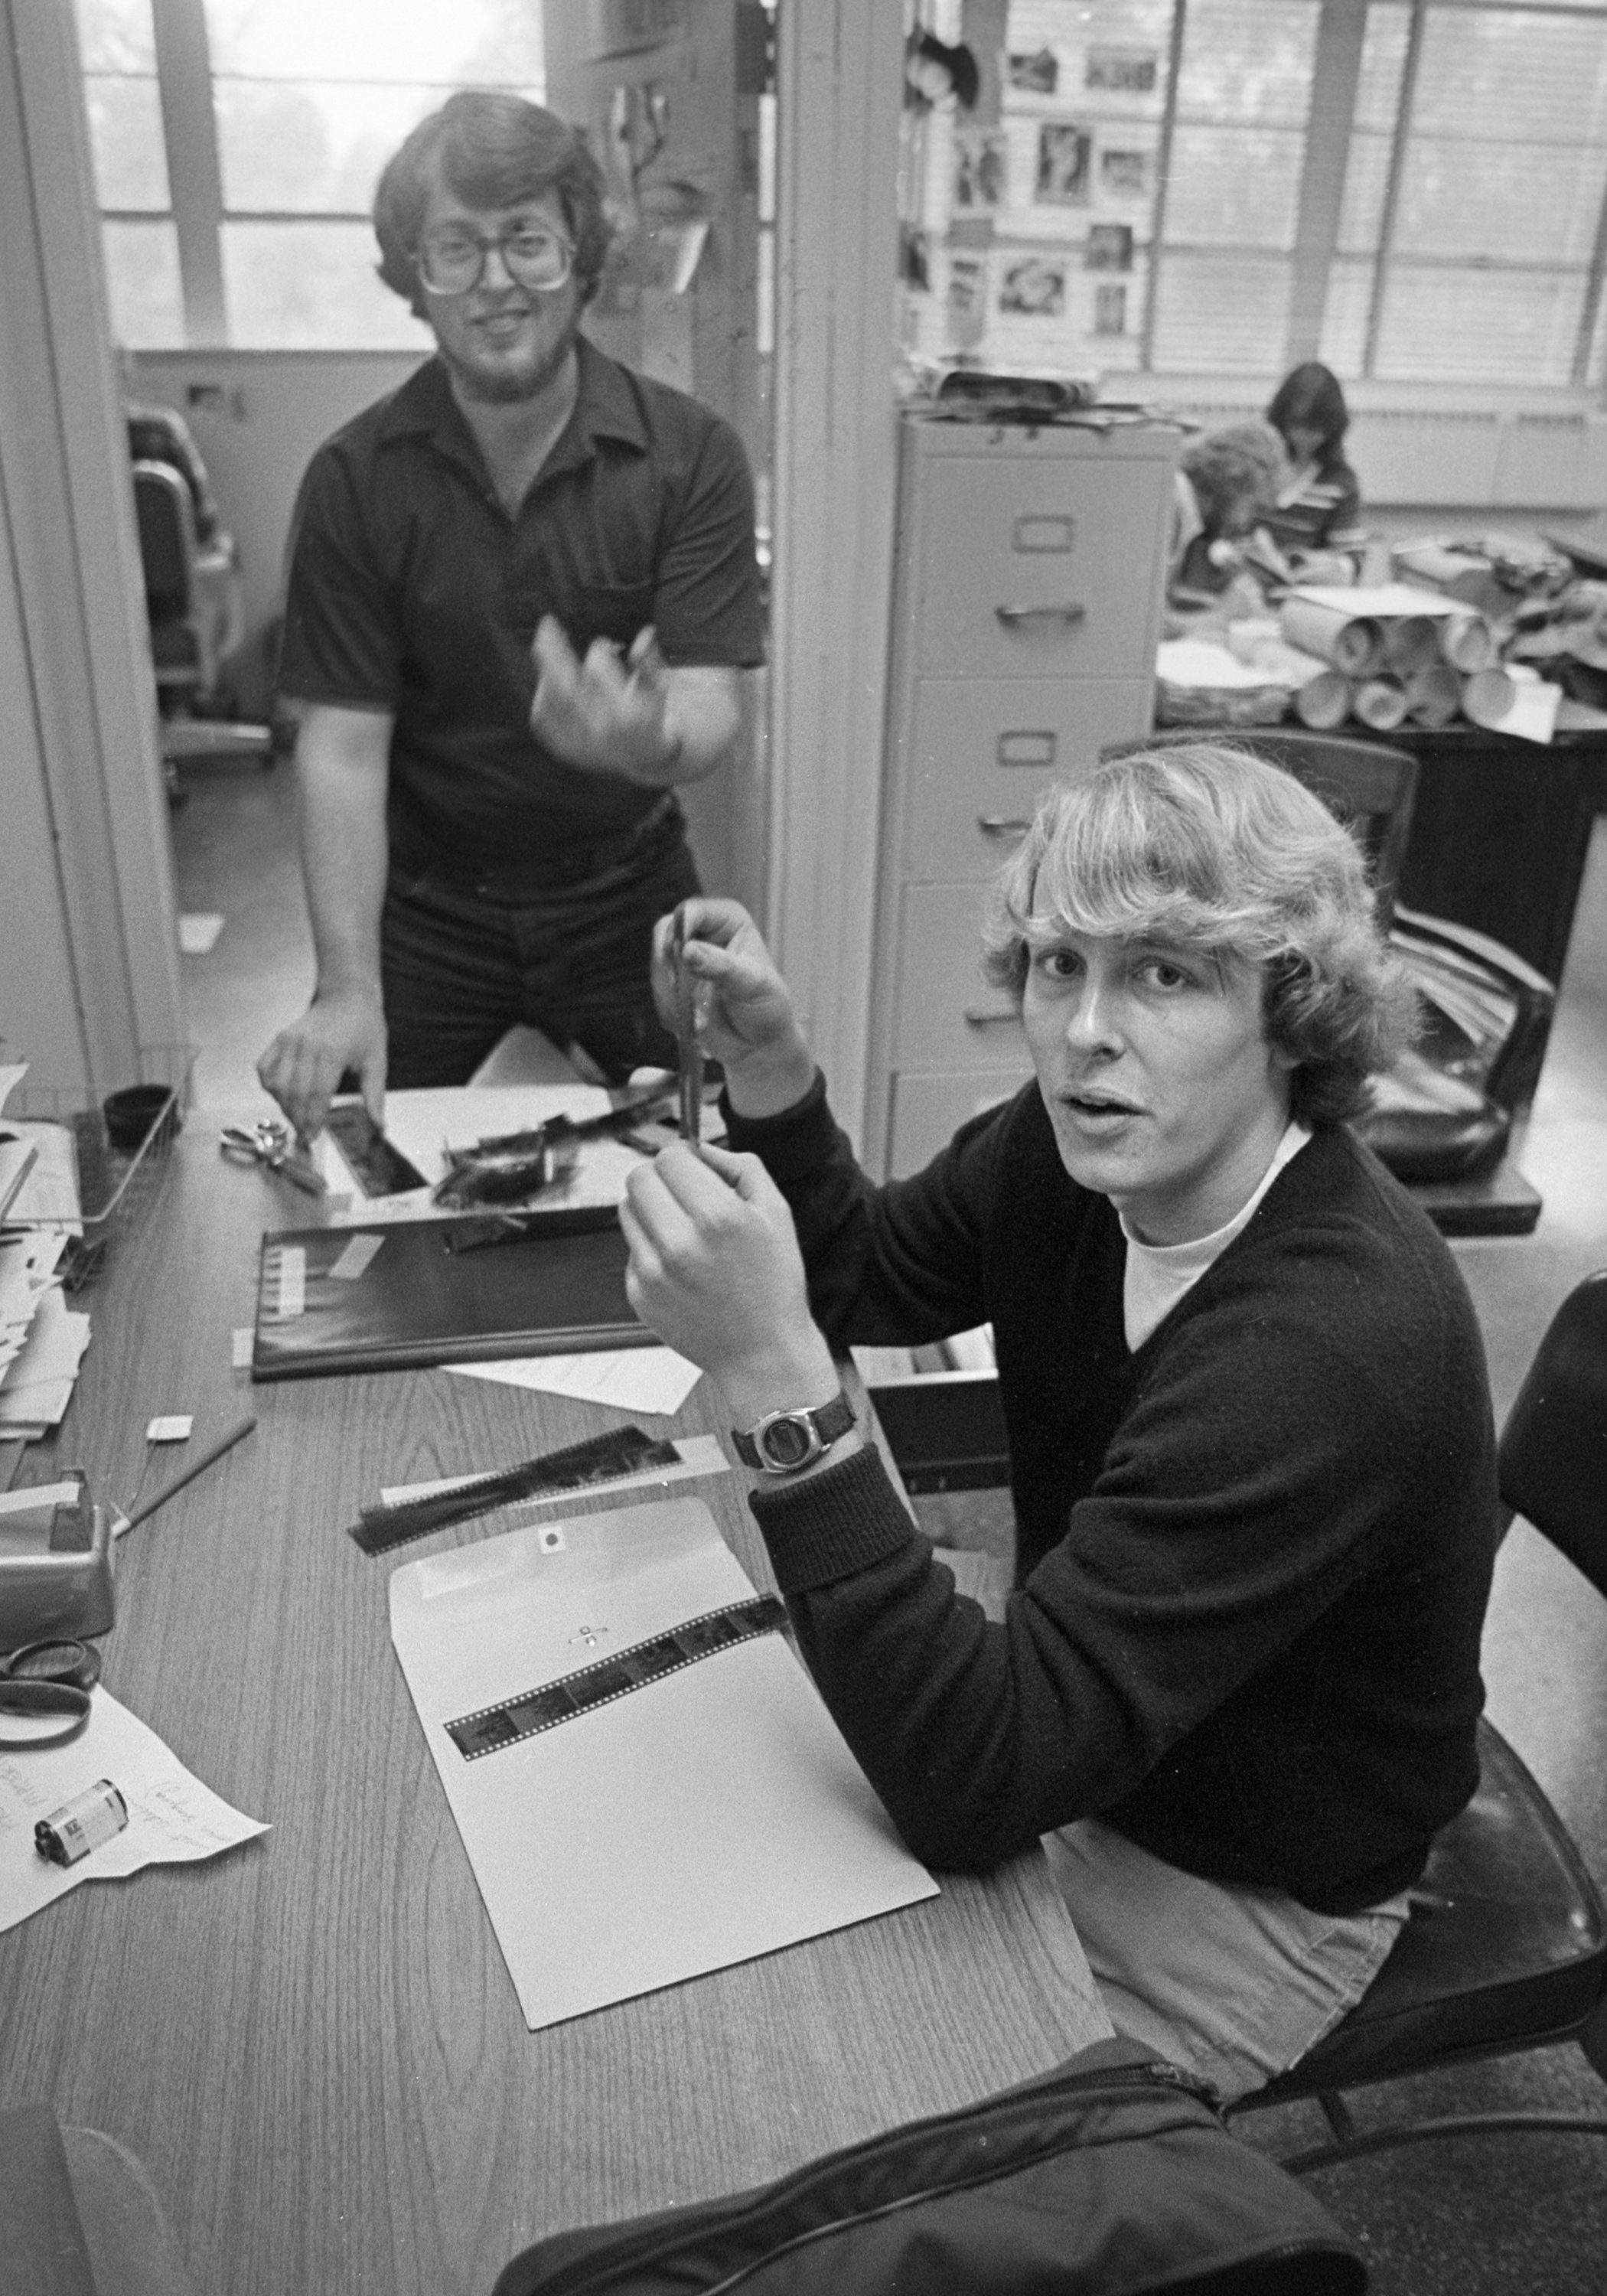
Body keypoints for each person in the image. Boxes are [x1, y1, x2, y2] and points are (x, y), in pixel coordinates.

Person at [619, 742, 1499, 2104]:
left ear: (1290, 1012)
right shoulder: (1069, 1149)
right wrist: (776, 1070)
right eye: (1057, 964)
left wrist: (777, 1389)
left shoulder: (1329, 1346)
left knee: (857, 2126)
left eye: (1165, 972)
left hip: (1258, 1871)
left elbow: (973, 1778)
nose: (1087, 1028)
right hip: (1094, 1741)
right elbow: (864, 1278)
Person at [258, 92, 765, 1140]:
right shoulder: (355, 481)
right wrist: (344, 988)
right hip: (429, 905)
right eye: (456, 248)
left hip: (627, 888)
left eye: (527, 241)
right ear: (414, 277)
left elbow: (713, 712)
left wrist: (646, 738)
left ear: (580, 254)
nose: (496, 284)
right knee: (358, 1164)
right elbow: (343, 755)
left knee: (697, 1157)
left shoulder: (691, 457)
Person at [1166, 421, 1286, 630]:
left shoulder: (1183, 503)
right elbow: (1144, 626)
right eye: (1253, 506)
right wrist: (1222, 616)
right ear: (1234, 483)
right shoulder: (1174, 508)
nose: (1245, 523)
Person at [1263, 362, 1364, 562]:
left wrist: (1308, 561)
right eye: (1297, 425)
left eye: (1316, 429)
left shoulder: (1339, 481)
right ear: (1282, 419)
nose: (1305, 437)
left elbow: (1351, 559)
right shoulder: (1260, 464)